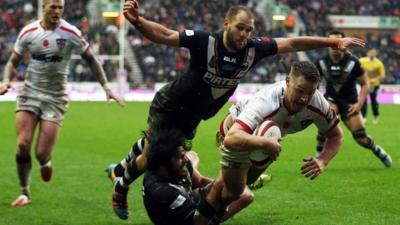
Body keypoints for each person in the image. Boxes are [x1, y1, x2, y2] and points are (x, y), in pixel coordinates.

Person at [108, 1, 365, 219]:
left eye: (249, 30)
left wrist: (332, 41)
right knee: (155, 153)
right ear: (226, 24)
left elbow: (293, 43)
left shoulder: (254, 49)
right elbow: (165, 35)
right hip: (171, 104)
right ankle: (120, 187)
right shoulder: (204, 42)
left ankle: (120, 168)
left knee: (173, 152)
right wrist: (138, 21)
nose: (244, 34)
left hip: (195, 114)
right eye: (240, 28)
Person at [0, 0, 125, 207]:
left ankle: (46, 161)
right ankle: (25, 193)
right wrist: (5, 81)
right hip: (30, 92)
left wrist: (107, 88)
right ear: (44, 7)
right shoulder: (28, 32)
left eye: (61, 8)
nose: (57, 12)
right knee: (22, 144)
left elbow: (92, 60)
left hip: (55, 98)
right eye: (53, 7)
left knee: (41, 153)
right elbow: (13, 61)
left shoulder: (71, 32)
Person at [216, 61, 343, 212]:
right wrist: (264, 143)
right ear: (288, 81)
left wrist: (323, 160)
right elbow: (232, 138)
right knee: (233, 192)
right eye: (300, 90)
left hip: (269, 136)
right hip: (236, 131)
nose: (304, 98)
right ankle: (204, 212)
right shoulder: (266, 101)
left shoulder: (319, 105)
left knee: (245, 181)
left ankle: (202, 196)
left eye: (311, 92)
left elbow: (335, 136)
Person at [141, 125, 253, 225]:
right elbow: (199, 221)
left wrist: (229, 184)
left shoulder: (176, 164)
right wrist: (221, 179)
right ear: (162, 164)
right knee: (245, 195)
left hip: (185, 197)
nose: (185, 159)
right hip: (185, 220)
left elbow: (200, 181)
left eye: (183, 154)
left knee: (193, 156)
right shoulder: (161, 191)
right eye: (180, 157)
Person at [315, 31, 392, 168]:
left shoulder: (353, 62)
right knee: (326, 116)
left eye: (338, 42)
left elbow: (365, 84)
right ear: (327, 44)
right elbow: (313, 82)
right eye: (331, 42)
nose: (335, 46)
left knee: (361, 138)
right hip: (331, 99)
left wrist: (359, 103)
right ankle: (318, 154)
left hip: (350, 101)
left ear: (343, 44)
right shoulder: (321, 62)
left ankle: (377, 150)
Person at [359, 49, 386, 125]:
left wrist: (375, 79)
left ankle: (375, 116)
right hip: (364, 84)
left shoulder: (378, 63)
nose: (372, 54)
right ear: (368, 53)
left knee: (373, 100)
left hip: (374, 85)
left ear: (376, 54)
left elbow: (382, 75)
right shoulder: (362, 60)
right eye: (371, 52)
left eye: (374, 53)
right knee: (363, 101)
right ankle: (363, 118)